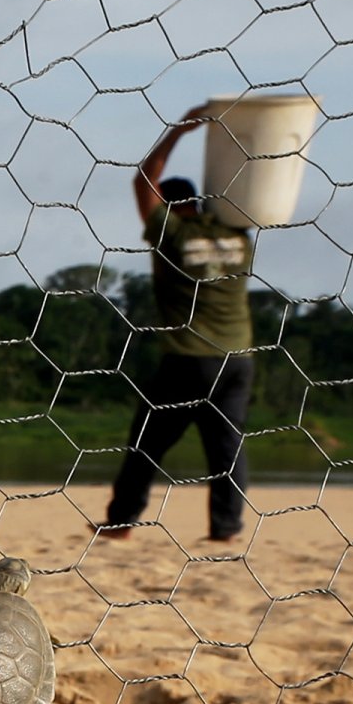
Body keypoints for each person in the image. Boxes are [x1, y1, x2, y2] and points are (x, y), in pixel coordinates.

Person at [101, 105, 258, 543]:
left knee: (147, 444)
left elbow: (143, 179)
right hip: (238, 360)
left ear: (170, 209)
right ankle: (226, 529)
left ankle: (121, 523)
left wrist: (181, 129)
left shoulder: (173, 237)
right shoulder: (238, 239)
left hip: (190, 359)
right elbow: (250, 200)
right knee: (227, 449)